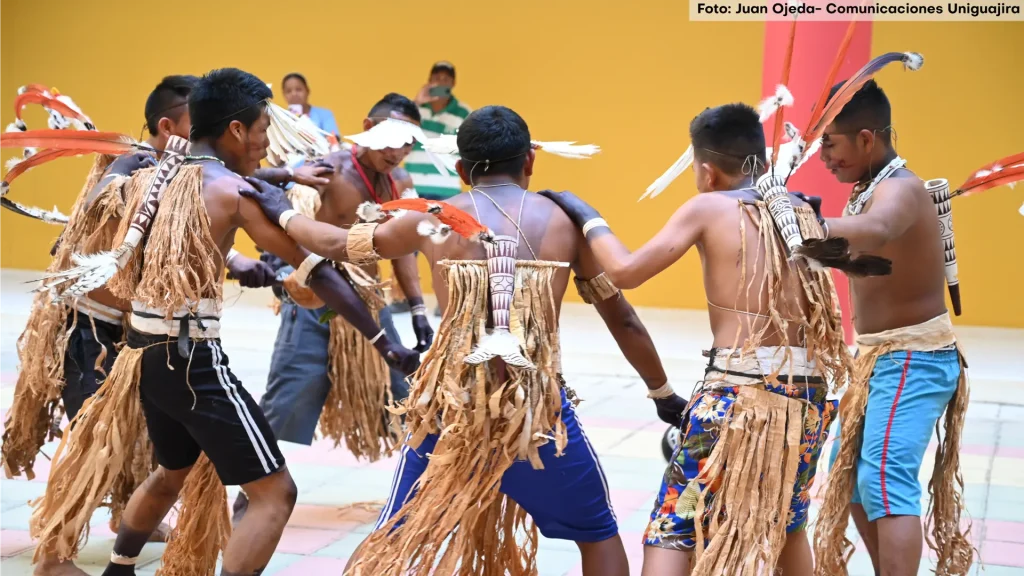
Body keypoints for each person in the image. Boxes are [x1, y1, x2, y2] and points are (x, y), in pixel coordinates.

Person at [241, 105, 686, 576]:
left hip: (449, 409)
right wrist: (662, 394)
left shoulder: (433, 220)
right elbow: (624, 318)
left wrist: (283, 211)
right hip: (536, 411)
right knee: (596, 533)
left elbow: (334, 244)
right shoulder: (565, 222)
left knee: (393, 536)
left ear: (460, 170)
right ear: (530, 161)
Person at [28, 68, 420, 576]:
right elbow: (322, 259)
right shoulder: (234, 193)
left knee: (170, 475)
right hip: (194, 365)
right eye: (261, 130)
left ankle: (118, 571)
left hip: (145, 353)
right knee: (276, 494)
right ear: (236, 130)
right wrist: (387, 325)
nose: (265, 143)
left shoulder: (152, 176)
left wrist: (276, 192)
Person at [542, 103, 853, 575]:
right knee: (789, 523)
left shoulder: (709, 206)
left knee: (676, 523)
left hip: (737, 397)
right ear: (763, 162)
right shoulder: (799, 212)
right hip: (807, 400)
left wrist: (586, 215)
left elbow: (625, 272)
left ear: (708, 172)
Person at [1, 75, 274, 576]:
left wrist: (238, 251)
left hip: (143, 337)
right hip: (91, 330)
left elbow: (189, 224)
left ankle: (126, 536)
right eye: (197, 124)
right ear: (169, 125)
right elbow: (101, 227)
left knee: (146, 446)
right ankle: (51, 556)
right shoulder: (134, 170)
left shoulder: (186, 175)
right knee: (94, 443)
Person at [813, 80, 972, 576]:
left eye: (830, 144)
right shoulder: (871, 190)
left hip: (914, 359)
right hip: (879, 360)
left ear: (866, 139)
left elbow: (877, 232)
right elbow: (861, 253)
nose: (823, 158)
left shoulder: (900, 192)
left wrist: (803, 219)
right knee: (852, 479)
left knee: (883, 480)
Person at [252, 93, 431, 454]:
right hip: (316, 297)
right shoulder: (327, 171)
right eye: (391, 141)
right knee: (290, 395)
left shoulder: (399, 179)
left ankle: (422, 488)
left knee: (407, 394)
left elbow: (402, 248)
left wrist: (417, 308)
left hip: (368, 301)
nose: (397, 152)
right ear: (367, 128)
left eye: (407, 144)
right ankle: (254, 495)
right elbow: (271, 205)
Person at [281, 72, 339, 140]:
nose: (294, 94)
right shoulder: (280, 118)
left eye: (298, 89)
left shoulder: (325, 114)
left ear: (307, 91)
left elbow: (334, 139)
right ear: (284, 95)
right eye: (288, 91)